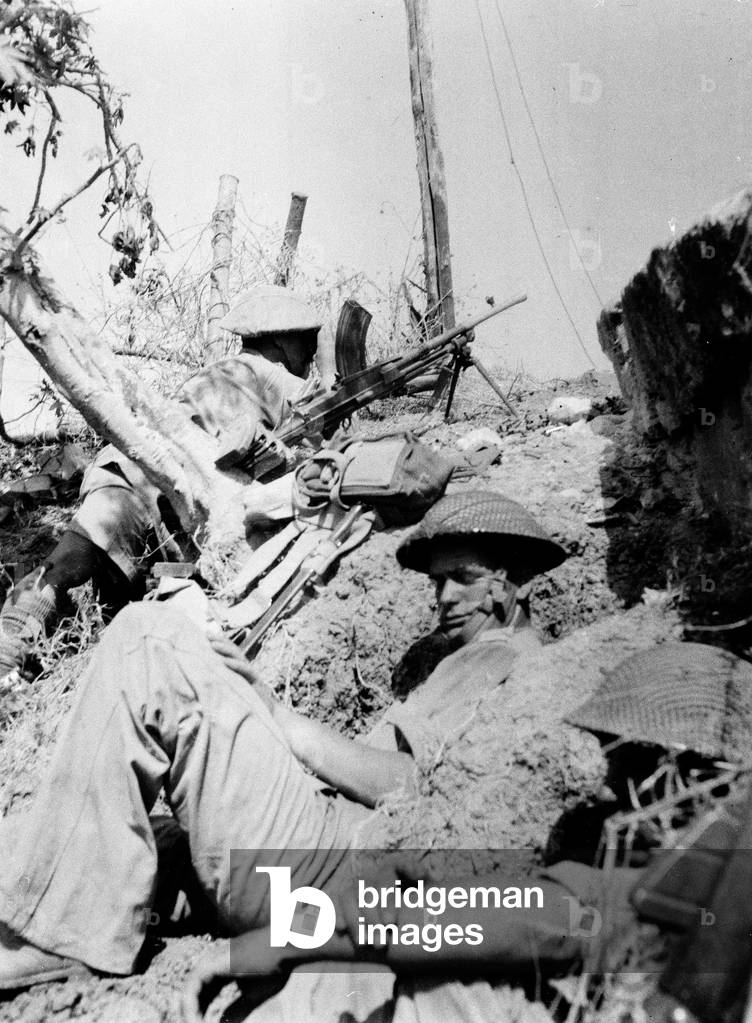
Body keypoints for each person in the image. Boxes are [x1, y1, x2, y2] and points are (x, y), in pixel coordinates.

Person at [0, 490, 567, 991]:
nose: (442, 597)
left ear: (508, 578)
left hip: (328, 869)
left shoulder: (511, 662)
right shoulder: (468, 660)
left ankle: (63, 940)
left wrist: (280, 721)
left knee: (146, 637)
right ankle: (69, 913)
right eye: (436, 582)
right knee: (75, 829)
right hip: (316, 853)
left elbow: (422, 790)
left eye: (461, 579)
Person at [0, 285, 333, 681]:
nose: (310, 353)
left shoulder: (219, 371)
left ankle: (13, 642)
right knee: (78, 569)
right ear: (279, 340)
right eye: (305, 341)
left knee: (66, 568)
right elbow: (324, 419)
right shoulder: (269, 375)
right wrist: (331, 374)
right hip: (160, 479)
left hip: (122, 464)